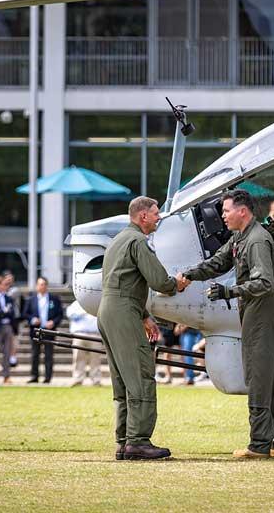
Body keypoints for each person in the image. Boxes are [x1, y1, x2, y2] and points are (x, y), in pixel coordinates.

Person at [179, 189, 274, 459]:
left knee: (258, 376)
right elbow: (218, 262)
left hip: (263, 312)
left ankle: (259, 445)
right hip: (256, 310)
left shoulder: (258, 240)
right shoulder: (241, 237)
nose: (223, 216)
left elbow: (265, 283)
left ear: (242, 211)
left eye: (226, 211)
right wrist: (189, 275)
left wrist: (229, 292)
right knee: (268, 378)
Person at [98, 196, 178, 461]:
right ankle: (139, 441)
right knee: (141, 376)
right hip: (123, 311)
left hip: (109, 310)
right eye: (155, 213)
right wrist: (176, 283)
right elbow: (159, 281)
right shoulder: (138, 241)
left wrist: (144, 315)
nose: (158, 217)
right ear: (142, 216)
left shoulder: (118, 240)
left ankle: (124, 441)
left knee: (123, 381)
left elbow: (119, 281)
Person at [24, 276, 63, 383]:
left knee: (49, 354)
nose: (43, 286)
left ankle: (47, 377)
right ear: (37, 286)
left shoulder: (54, 299)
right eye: (40, 284)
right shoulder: (31, 299)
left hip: (49, 330)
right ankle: (34, 376)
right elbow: (26, 314)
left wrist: (53, 322)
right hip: (35, 330)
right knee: (34, 354)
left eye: (44, 284)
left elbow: (60, 314)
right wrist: (32, 320)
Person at [66, 300, 102, 387]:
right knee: (78, 358)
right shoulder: (76, 304)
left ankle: (96, 380)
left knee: (95, 358)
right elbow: (70, 315)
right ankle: (78, 379)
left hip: (95, 334)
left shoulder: (97, 302)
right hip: (80, 334)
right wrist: (84, 312)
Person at [2, 270, 23, 367]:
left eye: (11, 279)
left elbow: (7, 296)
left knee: (14, 338)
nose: (9, 281)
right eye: (7, 279)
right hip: (3, 317)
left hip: (14, 317)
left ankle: (12, 357)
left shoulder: (15, 290)